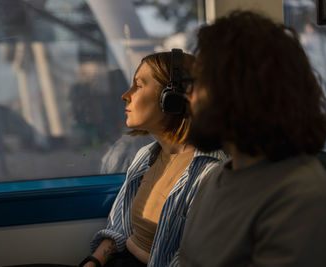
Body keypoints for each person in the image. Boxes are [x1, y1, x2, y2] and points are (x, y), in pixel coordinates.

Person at [180, 11, 326, 267]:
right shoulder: (215, 178)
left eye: (198, 81)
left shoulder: (302, 198)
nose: (188, 95)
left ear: (238, 91)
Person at [79, 50, 227, 267]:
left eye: (138, 86)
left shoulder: (212, 173)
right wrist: (94, 262)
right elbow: (119, 226)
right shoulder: (145, 156)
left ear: (173, 98)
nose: (125, 95)